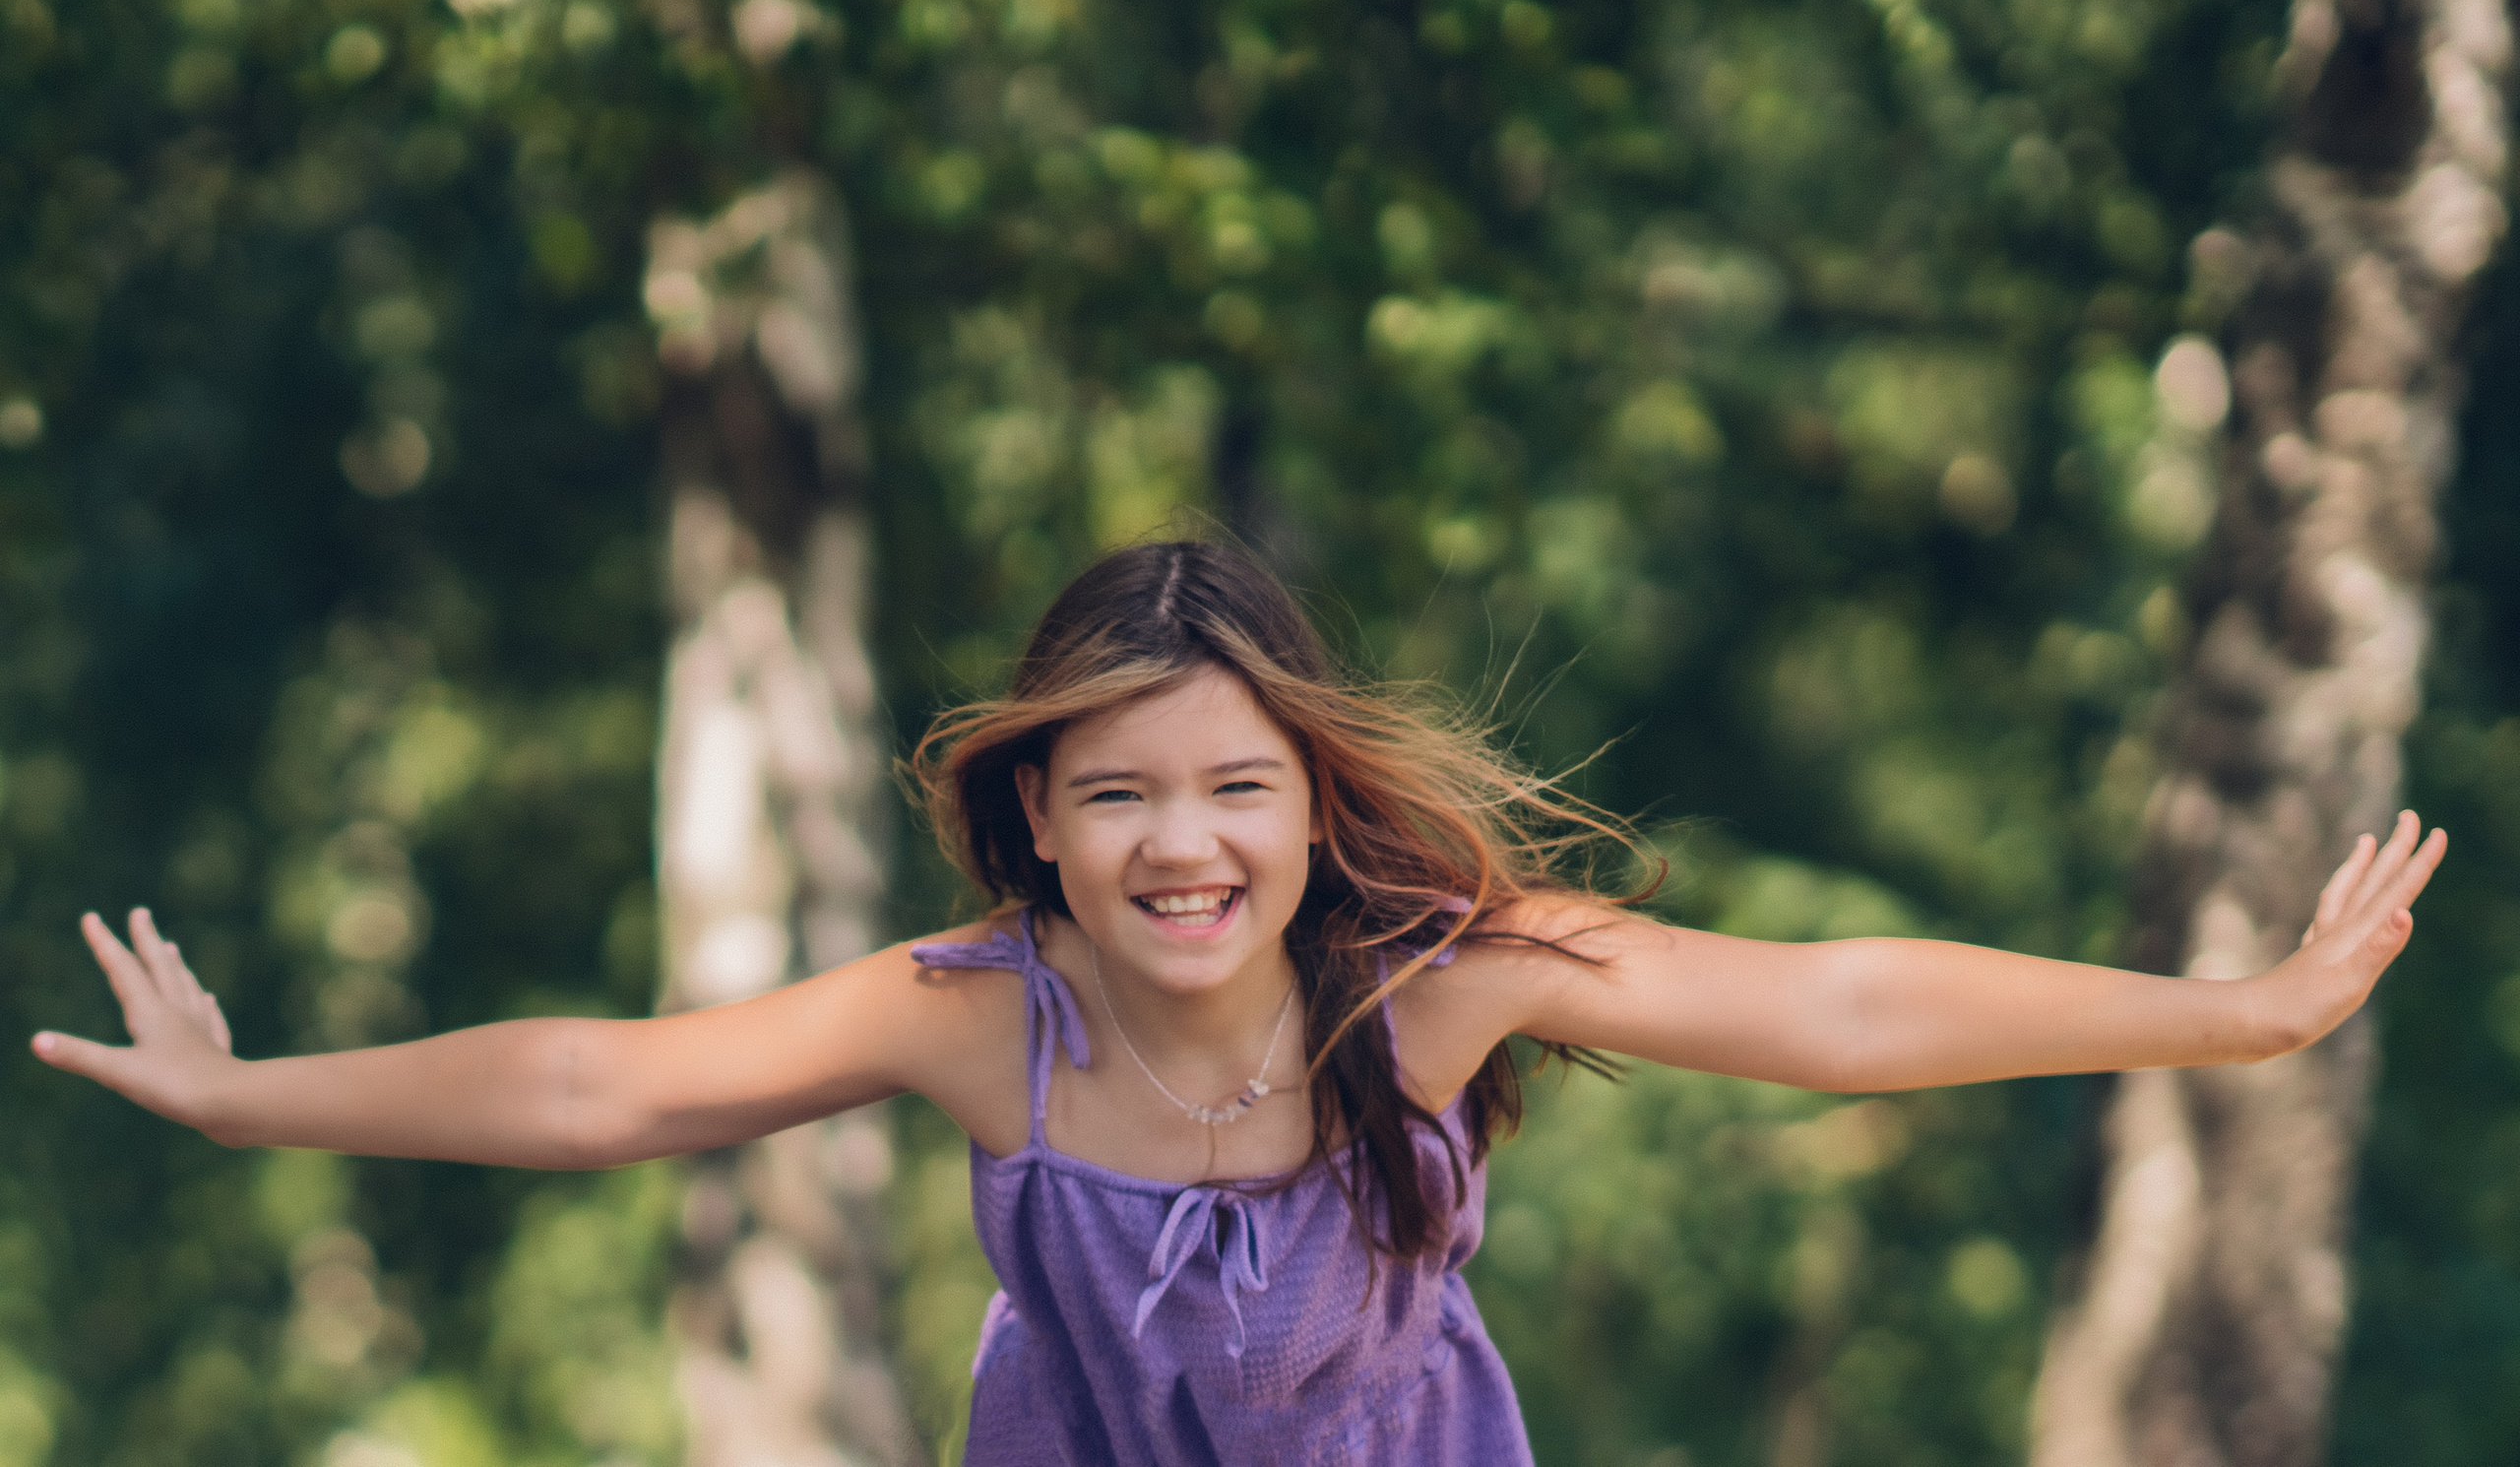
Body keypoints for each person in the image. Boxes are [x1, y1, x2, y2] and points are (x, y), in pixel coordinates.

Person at [32, 541, 2444, 1464]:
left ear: (1309, 801)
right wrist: (257, 1100)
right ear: (1042, 819)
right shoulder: (980, 1009)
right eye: (1118, 795)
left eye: (1230, 785)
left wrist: (2228, 1013)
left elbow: (1824, 1001)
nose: (1178, 842)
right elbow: (602, 1078)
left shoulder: (1432, 989)